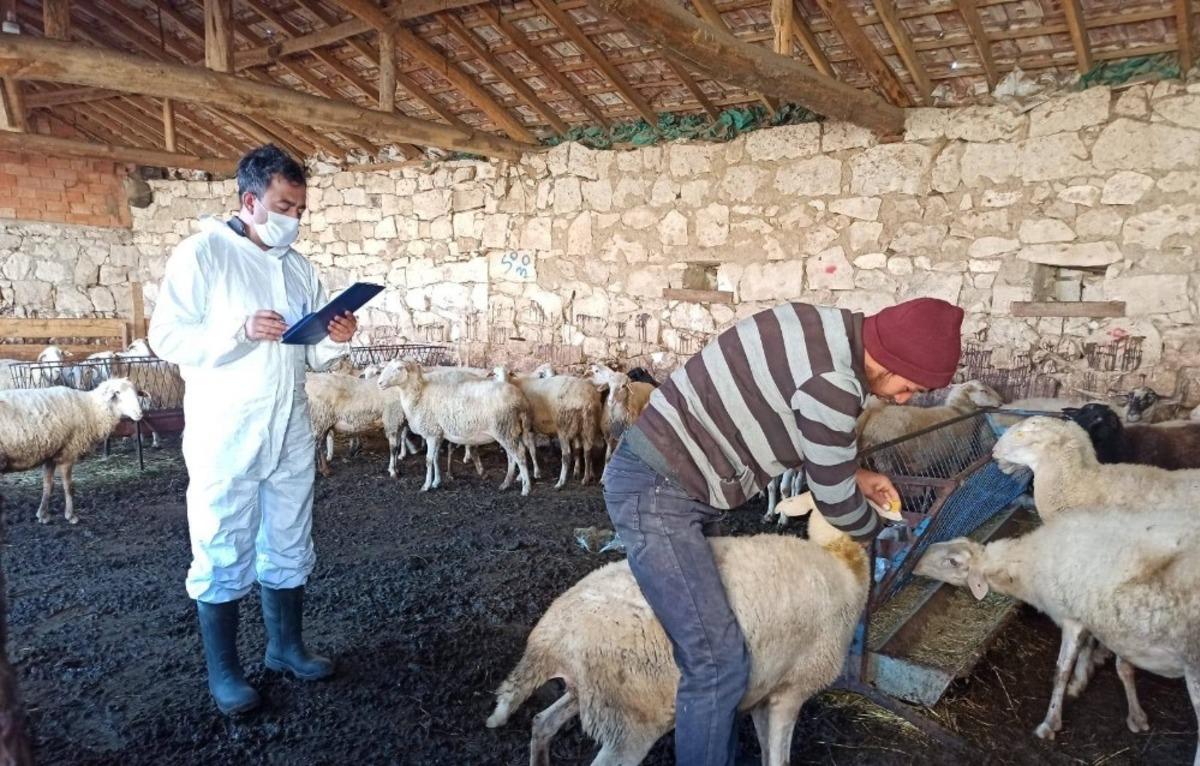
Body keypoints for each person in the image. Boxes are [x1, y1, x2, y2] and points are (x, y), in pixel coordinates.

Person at [603, 297, 964, 765]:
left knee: (718, 637)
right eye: (908, 387)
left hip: (679, 477)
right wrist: (885, 527)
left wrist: (853, 473)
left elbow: (799, 424)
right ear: (892, 359)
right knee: (717, 662)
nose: (902, 399)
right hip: (660, 491)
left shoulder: (816, 325)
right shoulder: (835, 383)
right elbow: (834, 500)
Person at [148, 145, 358, 715]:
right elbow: (165, 337)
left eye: (301, 208)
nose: (295, 218)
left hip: (288, 422)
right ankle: (225, 672)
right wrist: (238, 331)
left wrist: (335, 337)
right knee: (222, 538)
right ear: (250, 200)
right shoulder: (205, 254)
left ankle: (286, 648)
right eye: (285, 205)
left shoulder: (298, 268)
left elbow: (309, 356)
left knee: (289, 532)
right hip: (227, 428)